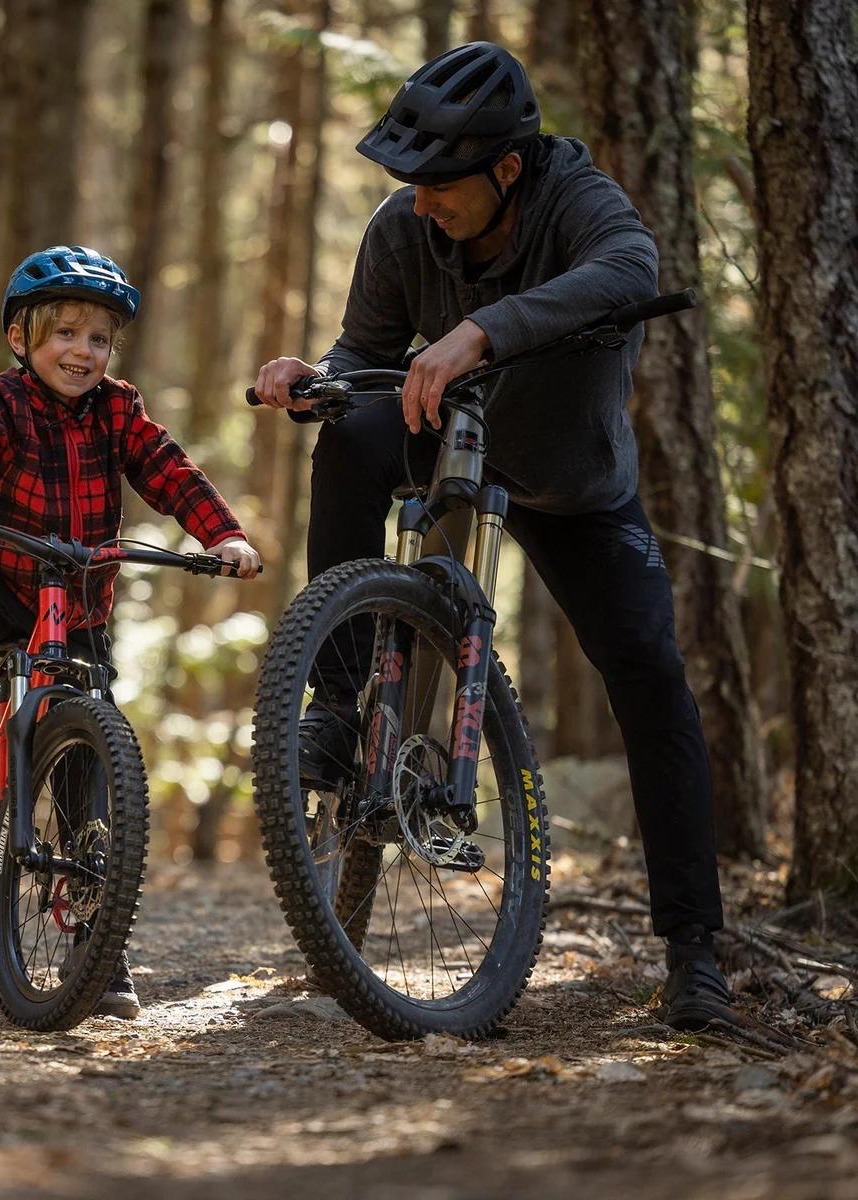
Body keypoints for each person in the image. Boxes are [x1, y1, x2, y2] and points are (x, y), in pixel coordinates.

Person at [251, 42, 735, 1031]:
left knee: (648, 672)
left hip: (569, 481)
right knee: (346, 432)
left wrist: (485, 329)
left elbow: (631, 265)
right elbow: (366, 354)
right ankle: (339, 705)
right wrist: (317, 376)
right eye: (411, 185)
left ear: (506, 170)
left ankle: (695, 953)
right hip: (442, 443)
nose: (420, 204)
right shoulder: (404, 226)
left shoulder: (574, 199)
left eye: (441, 186)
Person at [0, 244, 261, 1017]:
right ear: (22, 341)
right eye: (64, 333)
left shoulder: (118, 409)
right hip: (0, 585)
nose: (83, 352)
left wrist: (220, 535)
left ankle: (101, 945)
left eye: (97, 339)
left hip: (81, 610)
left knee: (90, 779)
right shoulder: (1, 400)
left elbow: (171, 473)